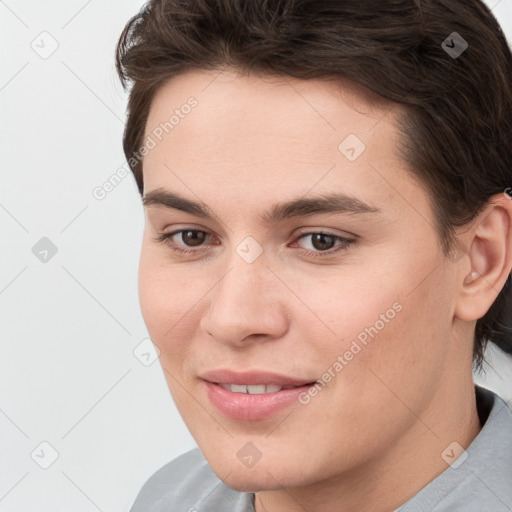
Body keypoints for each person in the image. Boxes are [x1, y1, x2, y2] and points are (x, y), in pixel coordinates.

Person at [115, 1, 512, 510]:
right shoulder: (169, 498)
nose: (233, 319)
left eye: (320, 240)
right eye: (190, 237)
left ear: (481, 260)